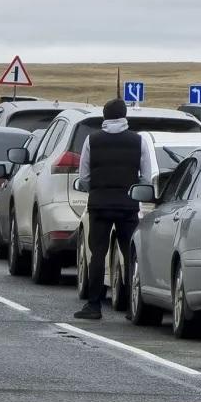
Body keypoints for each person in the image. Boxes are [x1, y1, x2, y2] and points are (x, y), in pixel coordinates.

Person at [74, 98, 152, 320]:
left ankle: (93, 305)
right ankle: (130, 306)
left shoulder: (92, 140)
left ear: (105, 117)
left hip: (99, 204)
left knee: (98, 253)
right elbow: (145, 177)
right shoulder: (139, 141)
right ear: (125, 115)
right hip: (128, 204)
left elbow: (84, 177)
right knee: (129, 254)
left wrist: (96, 189)